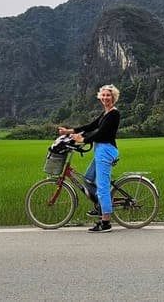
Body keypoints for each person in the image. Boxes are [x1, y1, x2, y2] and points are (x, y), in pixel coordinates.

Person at [58, 84, 121, 233]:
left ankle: (105, 222)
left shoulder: (114, 114)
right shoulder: (105, 113)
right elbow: (91, 126)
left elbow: (102, 133)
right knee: (88, 178)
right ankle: (100, 204)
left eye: (109, 95)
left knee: (103, 187)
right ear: (100, 97)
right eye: (103, 95)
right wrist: (70, 131)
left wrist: (83, 140)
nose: (106, 98)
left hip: (106, 151)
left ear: (114, 98)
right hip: (101, 150)